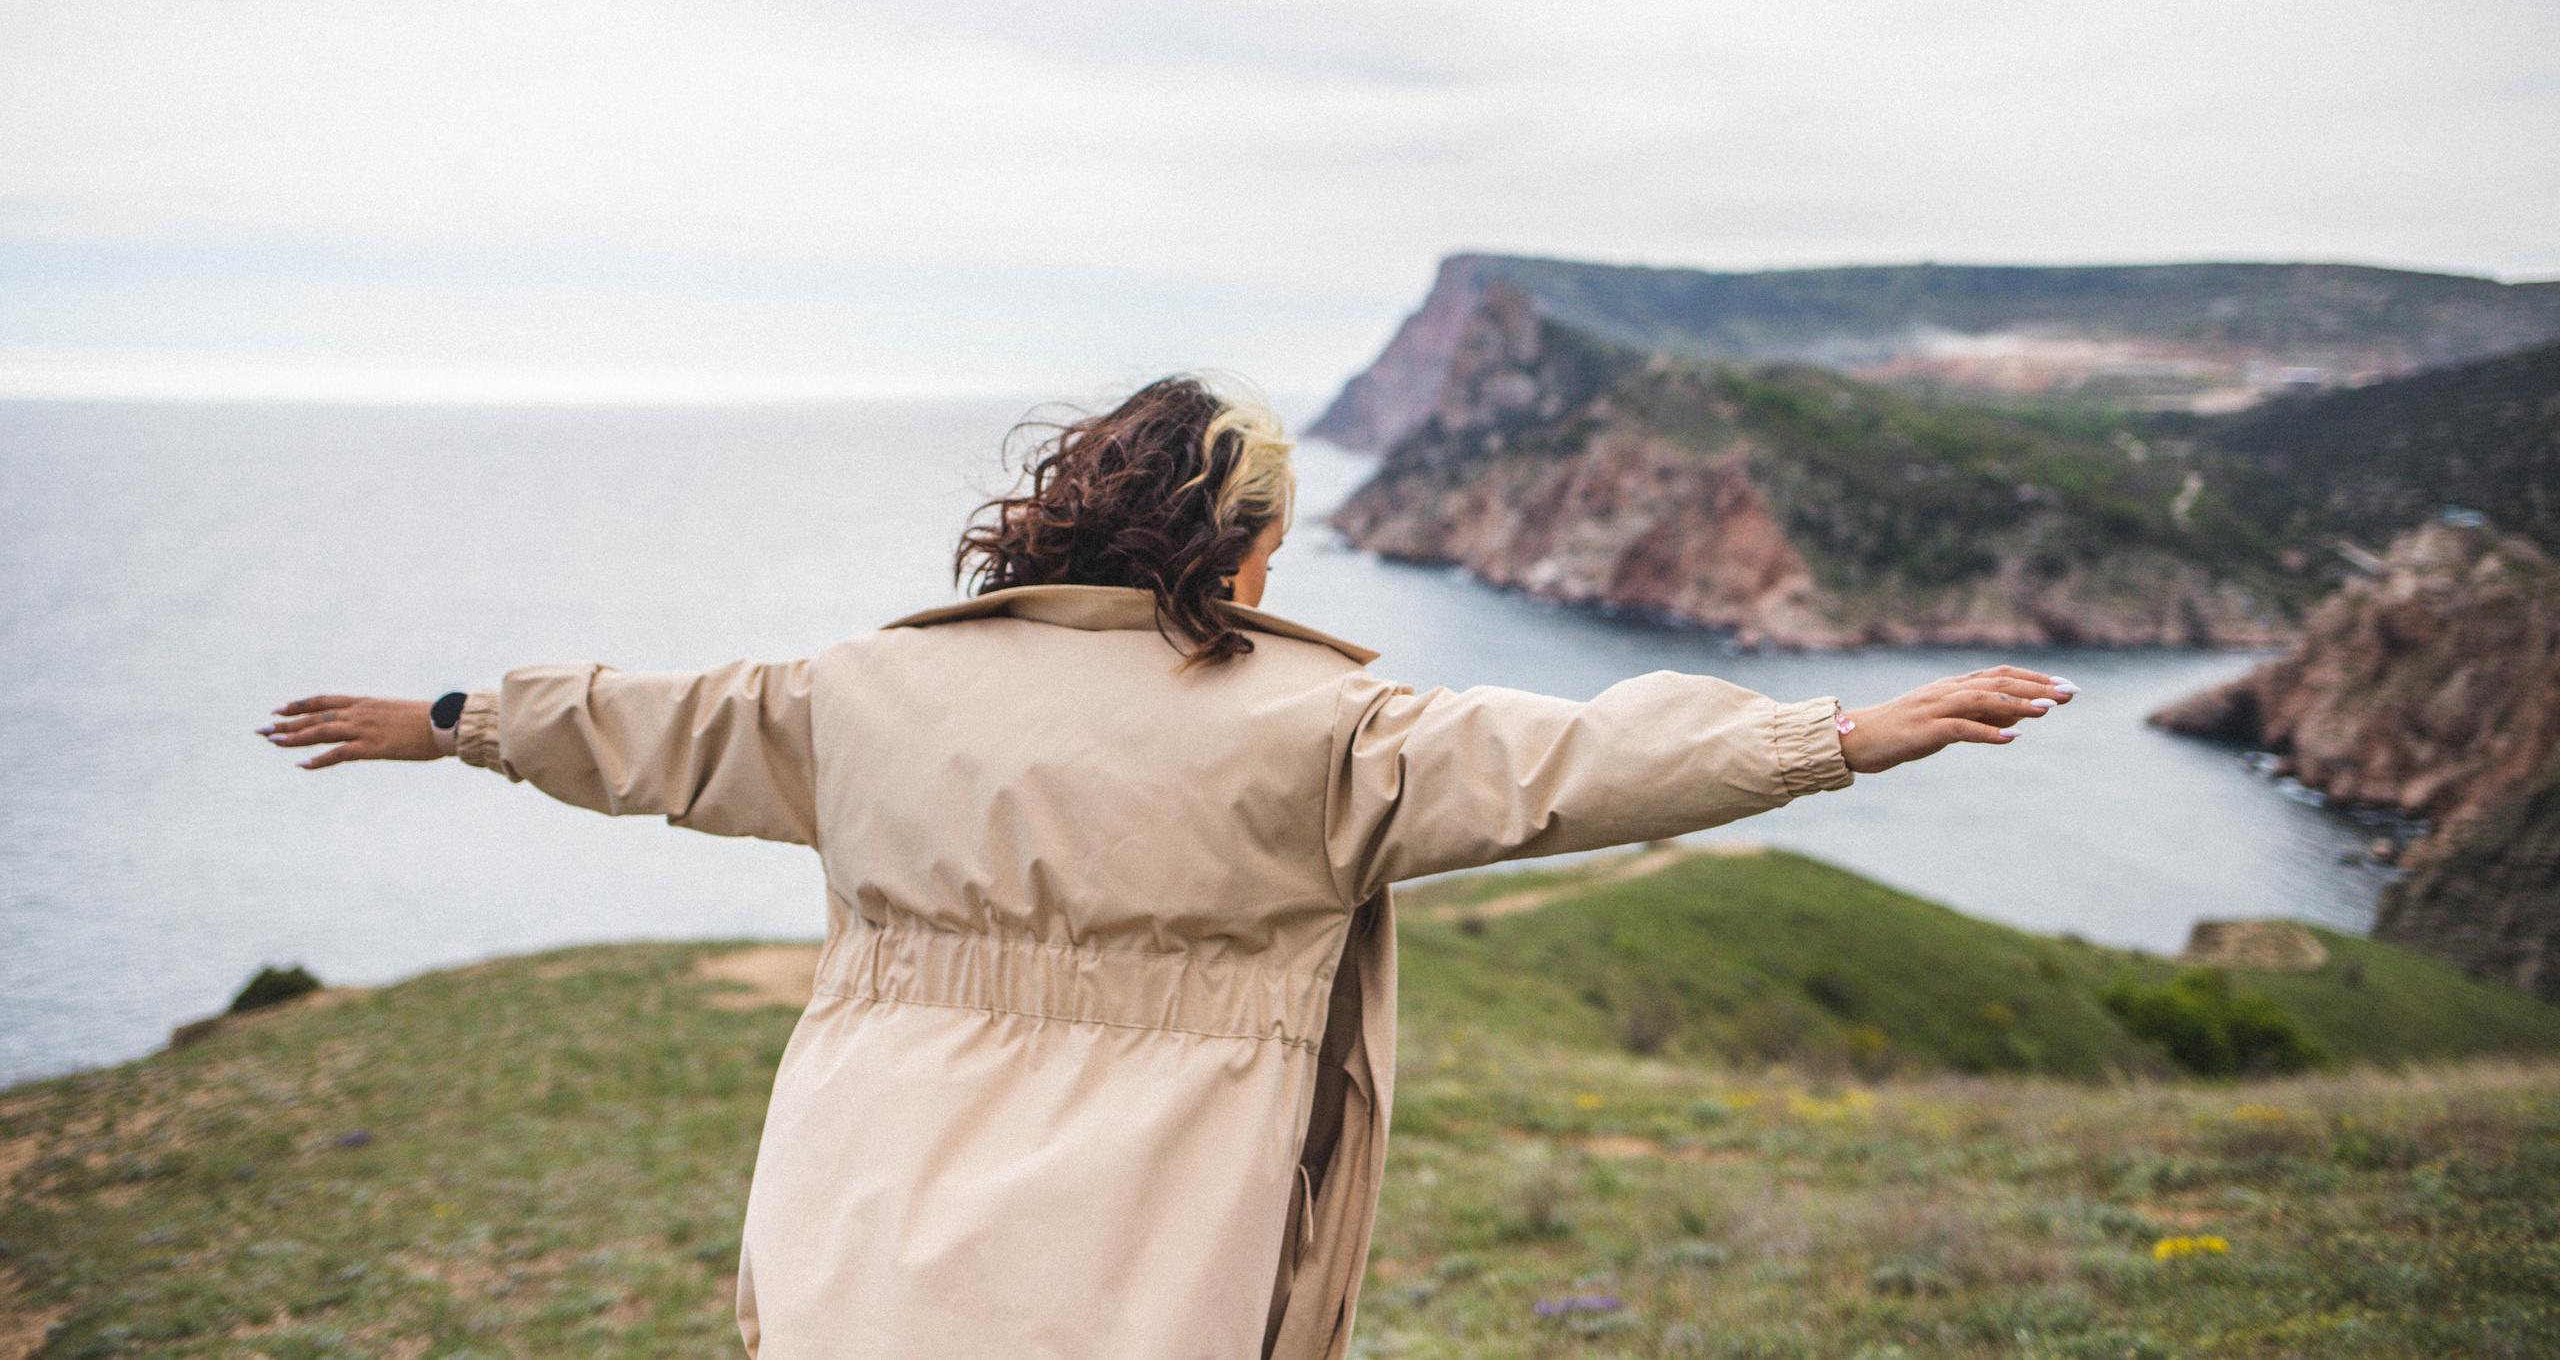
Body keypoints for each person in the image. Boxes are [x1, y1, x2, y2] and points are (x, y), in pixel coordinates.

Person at [262, 374, 2073, 1360]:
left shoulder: (869, 688)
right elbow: (1571, 764)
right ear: (1246, 546)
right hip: (1155, 1215)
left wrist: (449, 715)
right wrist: (1836, 734)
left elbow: (652, 726)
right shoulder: (1323, 732)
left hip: (869, 1180)